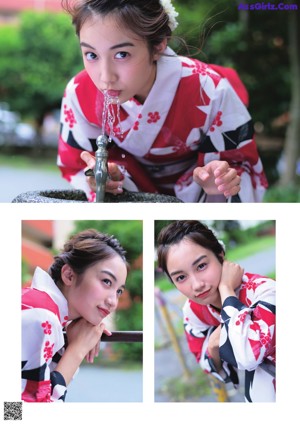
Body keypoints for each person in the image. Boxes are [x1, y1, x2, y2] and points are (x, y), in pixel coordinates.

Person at [58, 0, 268, 203]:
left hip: (196, 193)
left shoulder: (209, 89)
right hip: (128, 188)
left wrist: (219, 181)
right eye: (91, 55)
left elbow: (239, 164)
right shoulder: (79, 92)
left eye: (122, 54)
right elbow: (77, 163)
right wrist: (97, 177)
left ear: (158, 45)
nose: (105, 76)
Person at [156, 220, 275, 402]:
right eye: (181, 277)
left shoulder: (265, 291)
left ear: (221, 256)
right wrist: (213, 345)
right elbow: (204, 359)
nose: (196, 285)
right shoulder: (194, 310)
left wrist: (226, 290)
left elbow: (248, 356)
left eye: (202, 266)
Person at [21, 229, 128, 402]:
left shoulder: (39, 306)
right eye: (106, 281)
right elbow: (16, 413)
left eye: (119, 291)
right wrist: (76, 351)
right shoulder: (41, 317)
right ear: (69, 275)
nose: (113, 301)